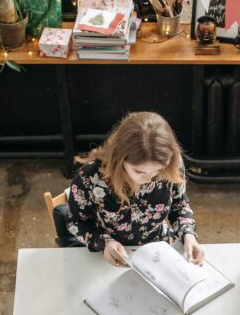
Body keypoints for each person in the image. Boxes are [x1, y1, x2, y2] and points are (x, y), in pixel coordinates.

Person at [66, 111, 205, 267]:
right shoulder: (90, 177)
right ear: (119, 158)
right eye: (139, 171)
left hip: (160, 249)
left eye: (158, 170)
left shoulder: (172, 163)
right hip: (113, 254)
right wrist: (104, 243)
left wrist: (188, 234)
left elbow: (179, 206)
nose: (149, 178)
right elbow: (75, 223)